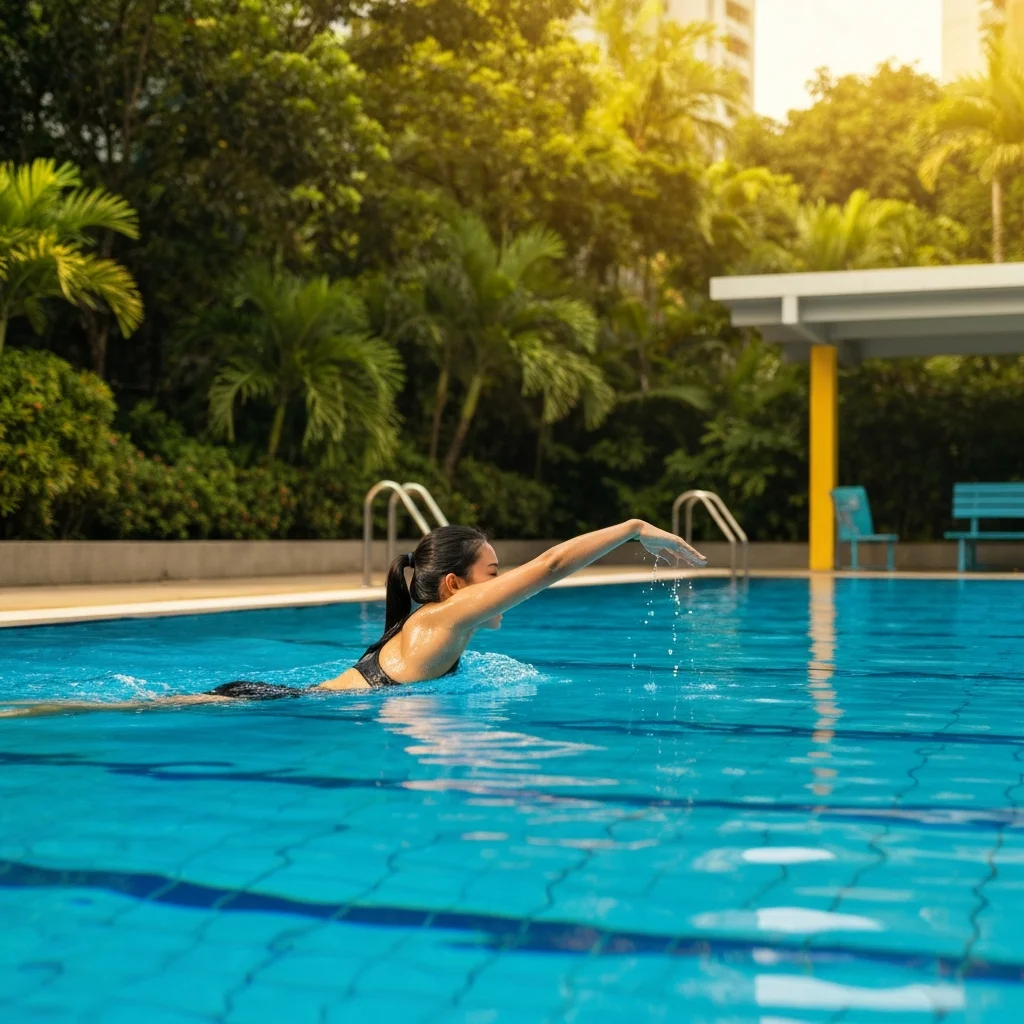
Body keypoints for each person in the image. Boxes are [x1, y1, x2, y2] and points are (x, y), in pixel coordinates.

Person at [1, 521, 704, 715]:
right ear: (455, 585)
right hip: (281, 706)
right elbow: (550, 566)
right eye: (494, 573)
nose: (503, 584)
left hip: (290, 699)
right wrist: (635, 528)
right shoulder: (440, 623)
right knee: (111, 710)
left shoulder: (425, 633)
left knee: (131, 708)